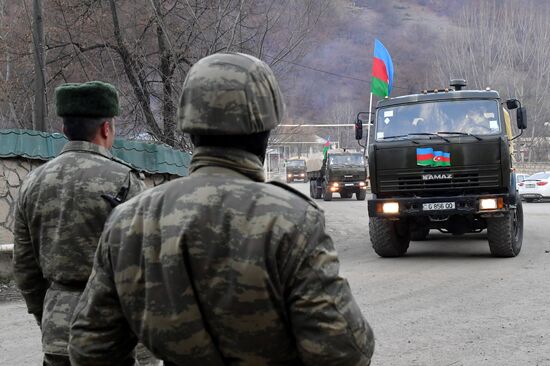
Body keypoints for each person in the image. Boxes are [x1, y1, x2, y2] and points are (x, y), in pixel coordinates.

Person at [69, 53, 375, 365]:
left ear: (190, 124)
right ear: (267, 127)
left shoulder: (127, 222)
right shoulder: (291, 220)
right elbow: (345, 349)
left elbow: (89, 348)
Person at [12, 81, 146, 365]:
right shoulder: (125, 180)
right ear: (106, 128)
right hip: (112, 334)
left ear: (64, 130)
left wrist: (48, 314)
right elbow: (141, 267)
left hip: (57, 332)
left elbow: (24, 268)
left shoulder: (33, 182)